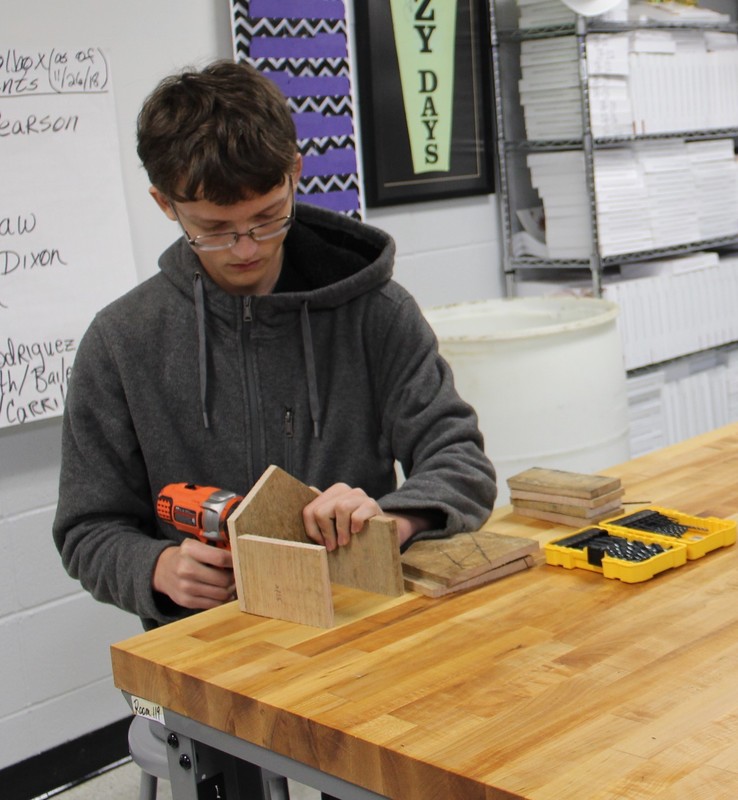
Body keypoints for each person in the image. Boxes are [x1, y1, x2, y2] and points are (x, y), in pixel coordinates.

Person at [53, 59, 496, 631]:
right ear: (165, 204)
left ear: (294, 172)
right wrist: (157, 568)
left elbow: (461, 461)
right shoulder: (121, 342)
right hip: (210, 651)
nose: (245, 248)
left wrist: (392, 518)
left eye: (267, 218)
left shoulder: (375, 312)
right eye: (215, 229)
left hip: (361, 627)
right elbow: (87, 528)